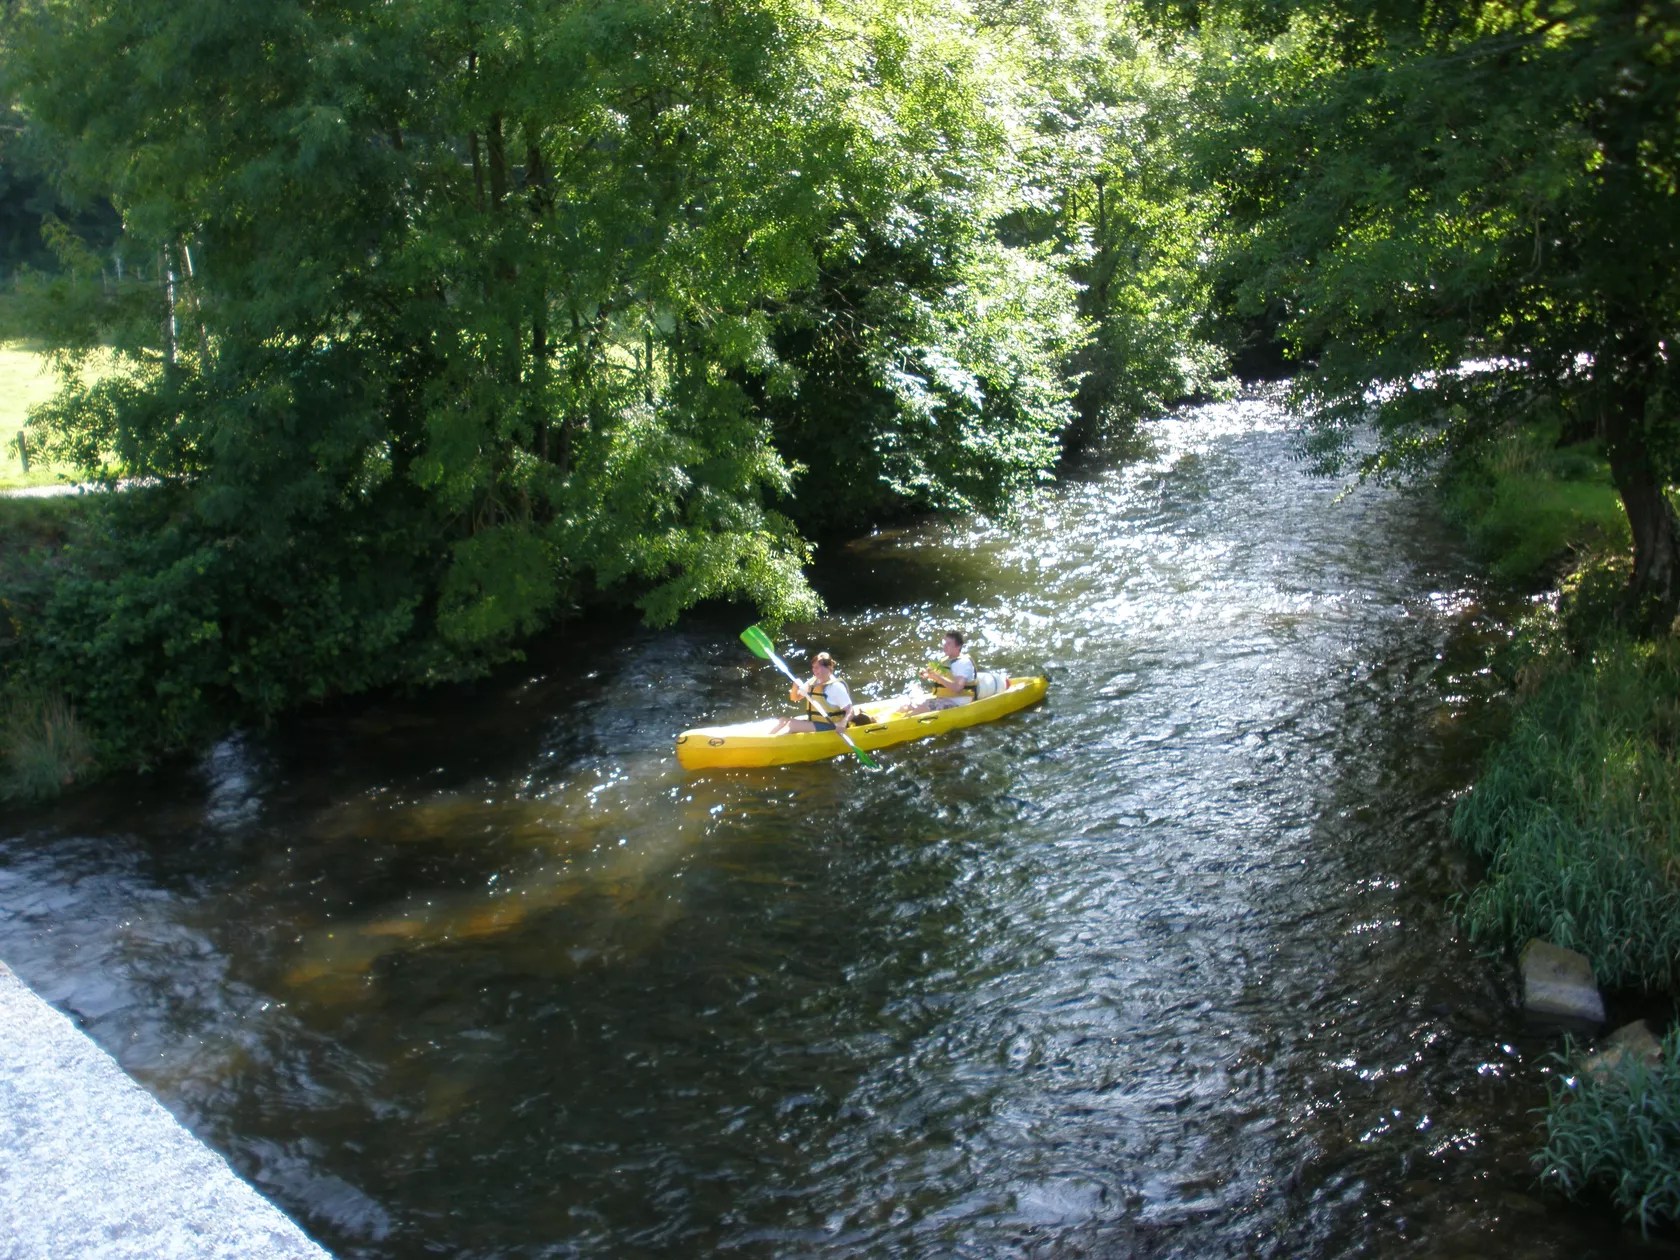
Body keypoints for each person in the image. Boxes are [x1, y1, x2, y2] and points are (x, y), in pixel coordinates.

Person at [776, 651, 855, 733]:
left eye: (817, 667)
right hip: (816, 723)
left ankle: (773, 742)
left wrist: (843, 723)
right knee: (783, 720)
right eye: (813, 667)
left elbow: (850, 711)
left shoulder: (835, 686)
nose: (814, 670)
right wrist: (795, 686)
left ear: (828, 667)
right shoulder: (814, 681)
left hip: (833, 726)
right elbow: (794, 697)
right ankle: (768, 739)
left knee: (791, 725)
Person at [911, 629, 977, 712]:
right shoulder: (945, 660)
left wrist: (938, 677)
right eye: (945, 643)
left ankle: (901, 723)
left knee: (923, 707)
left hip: (959, 702)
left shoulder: (963, 663)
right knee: (910, 704)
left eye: (949, 644)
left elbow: (957, 688)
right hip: (943, 698)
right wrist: (928, 674)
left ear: (958, 646)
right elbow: (940, 678)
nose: (945, 646)